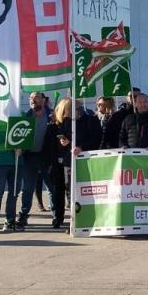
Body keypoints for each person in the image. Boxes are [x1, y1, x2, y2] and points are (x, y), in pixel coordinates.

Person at [43, 98, 85, 229]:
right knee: (57, 191)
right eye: (75, 108)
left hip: (70, 162)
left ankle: (74, 218)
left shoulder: (78, 125)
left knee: (70, 191)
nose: (78, 111)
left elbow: (82, 139)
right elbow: (48, 146)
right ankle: (58, 217)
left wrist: (71, 142)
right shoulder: (53, 126)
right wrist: (49, 163)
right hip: (56, 163)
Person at [16, 92, 54, 230]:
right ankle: (23, 215)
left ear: (43, 100)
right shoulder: (25, 117)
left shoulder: (52, 116)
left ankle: (56, 216)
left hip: (46, 157)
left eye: (36, 97)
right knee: (27, 188)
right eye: (31, 98)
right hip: (29, 157)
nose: (33, 100)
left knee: (51, 187)